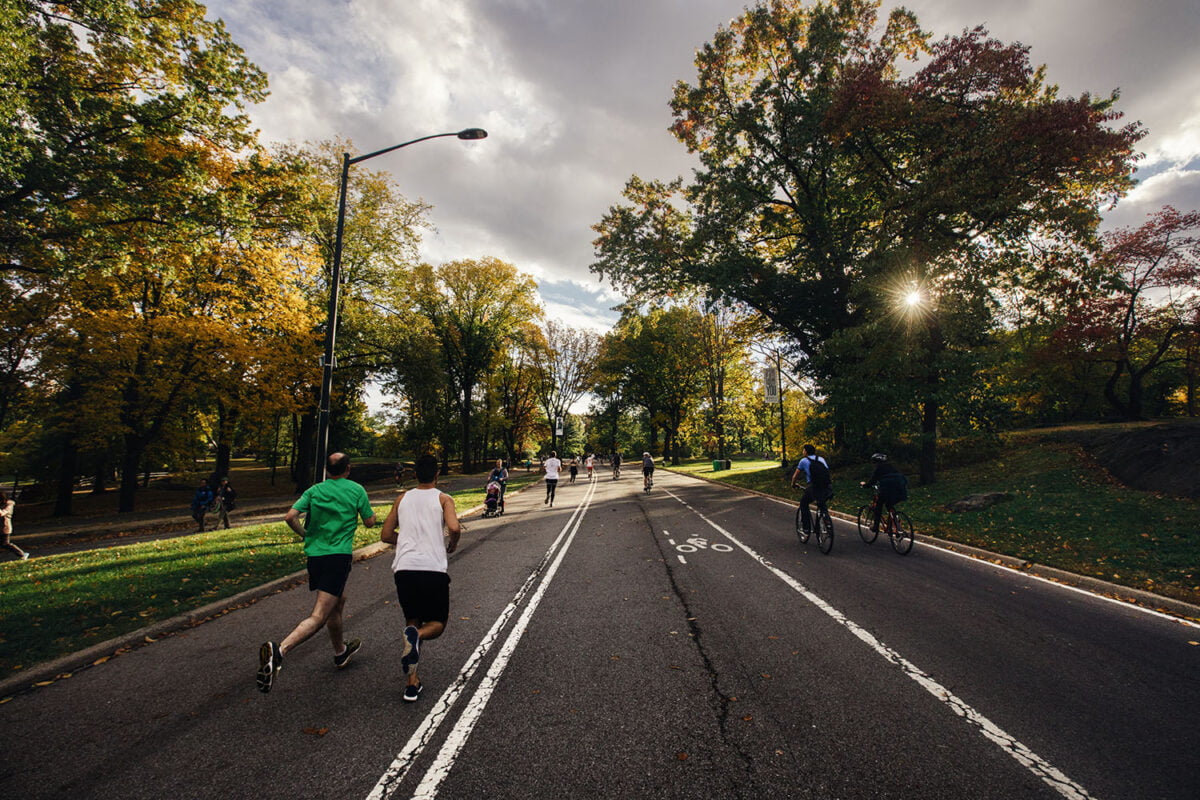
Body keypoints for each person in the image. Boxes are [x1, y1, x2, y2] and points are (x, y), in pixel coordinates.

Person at [256, 452, 377, 694]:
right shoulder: (355, 490)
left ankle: (340, 652)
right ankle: (280, 652)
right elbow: (370, 522)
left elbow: (290, 516)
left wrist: (305, 535)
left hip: (315, 557)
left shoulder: (314, 490)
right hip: (337, 557)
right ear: (348, 469)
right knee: (320, 614)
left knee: (337, 602)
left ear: (327, 470)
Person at [381, 453, 462, 702]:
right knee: (436, 624)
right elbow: (455, 527)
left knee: (412, 621)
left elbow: (385, 534)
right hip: (432, 569)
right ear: (437, 474)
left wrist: (405, 541)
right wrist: (452, 543)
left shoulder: (402, 498)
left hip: (404, 569)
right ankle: (419, 638)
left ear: (415, 474)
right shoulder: (443, 498)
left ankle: (411, 684)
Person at [790, 444, 833, 536]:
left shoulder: (803, 461)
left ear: (805, 451)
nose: (803, 452)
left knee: (804, 503)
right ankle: (826, 521)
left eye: (803, 450)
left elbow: (795, 476)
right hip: (827, 486)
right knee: (822, 503)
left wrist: (793, 484)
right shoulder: (821, 459)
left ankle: (806, 528)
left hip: (814, 487)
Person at [861, 453, 909, 532]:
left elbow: (872, 482)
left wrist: (864, 485)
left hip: (888, 490)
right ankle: (893, 523)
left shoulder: (879, 469)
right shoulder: (892, 467)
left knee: (879, 506)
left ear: (875, 462)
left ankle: (876, 527)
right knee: (889, 505)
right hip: (900, 490)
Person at [0, 490, 29, 561]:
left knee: (5, 544)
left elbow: (2, 513)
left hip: (4, 528)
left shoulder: (9, 504)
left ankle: (22, 554)